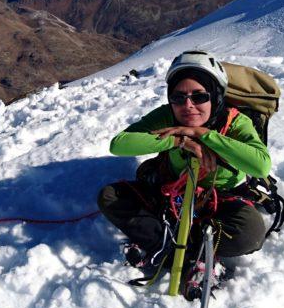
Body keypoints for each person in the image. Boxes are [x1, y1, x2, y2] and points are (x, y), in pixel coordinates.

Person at [98, 50, 271, 271]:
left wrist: (202, 134)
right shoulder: (167, 116)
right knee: (110, 197)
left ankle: (163, 241)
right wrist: (177, 140)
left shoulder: (236, 123)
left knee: (249, 235)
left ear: (216, 96)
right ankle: (186, 246)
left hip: (220, 199)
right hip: (172, 193)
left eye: (199, 97)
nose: (187, 105)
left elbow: (260, 165)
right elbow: (120, 144)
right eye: (178, 97)